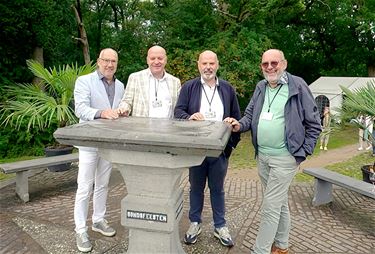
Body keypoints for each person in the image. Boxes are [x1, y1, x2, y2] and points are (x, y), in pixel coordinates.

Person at [224, 49, 321, 254]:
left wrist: (302, 152)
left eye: (274, 63)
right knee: (279, 202)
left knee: (270, 206)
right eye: (265, 64)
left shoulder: (298, 85)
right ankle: (282, 246)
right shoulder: (261, 87)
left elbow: (314, 124)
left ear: (284, 64)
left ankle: (260, 250)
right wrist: (238, 125)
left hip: (285, 157)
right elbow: (249, 115)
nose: (269, 67)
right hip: (263, 157)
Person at [174, 50, 241, 247]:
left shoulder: (227, 89)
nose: (208, 67)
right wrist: (189, 117)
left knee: (217, 189)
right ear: (198, 65)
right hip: (197, 149)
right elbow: (178, 111)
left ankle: (220, 226)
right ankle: (195, 223)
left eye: (212, 63)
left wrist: (230, 142)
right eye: (204, 63)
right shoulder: (189, 87)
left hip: (219, 150)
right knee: (196, 188)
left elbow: (237, 116)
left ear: (217, 65)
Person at [73, 48, 124, 252]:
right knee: (84, 187)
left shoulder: (120, 85)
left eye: (113, 61)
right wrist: (102, 112)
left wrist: (123, 110)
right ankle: (80, 230)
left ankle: (98, 220)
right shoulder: (84, 81)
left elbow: (118, 110)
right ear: (98, 61)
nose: (109, 64)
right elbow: (81, 109)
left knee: (103, 184)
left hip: (108, 143)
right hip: (88, 142)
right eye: (106, 60)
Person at [118, 45, 180, 118]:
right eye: (152, 58)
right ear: (147, 60)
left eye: (160, 58)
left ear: (166, 60)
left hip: (168, 128)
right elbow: (127, 101)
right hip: (141, 127)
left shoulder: (175, 82)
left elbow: (179, 107)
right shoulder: (135, 78)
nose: (156, 62)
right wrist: (123, 109)